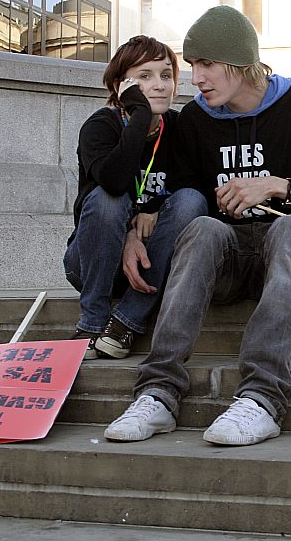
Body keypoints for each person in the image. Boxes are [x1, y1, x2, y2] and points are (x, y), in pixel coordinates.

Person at [104, 5, 291, 446]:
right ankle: (158, 393)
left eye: (205, 64)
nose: (195, 78)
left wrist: (279, 186)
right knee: (204, 227)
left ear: (241, 63)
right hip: (228, 263)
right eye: (191, 66)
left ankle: (261, 398)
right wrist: (134, 228)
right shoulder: (197, 120)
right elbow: (175, 201)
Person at [64, 35, 207, 360]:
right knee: (107, 200)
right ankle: (91, 322)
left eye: (166, 75)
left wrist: (154, 207)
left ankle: (126, 322)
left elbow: (194, 184)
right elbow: (113, 183)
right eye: (145, 77)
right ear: (120, 85)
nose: (159, 85)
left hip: (152, 262)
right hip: (93, 264)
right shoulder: (101, 126)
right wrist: (140, 113)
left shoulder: (178, 127)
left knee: (192, 202)